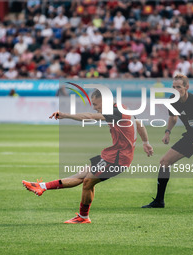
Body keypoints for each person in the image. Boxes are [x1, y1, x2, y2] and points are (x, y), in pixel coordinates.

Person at [23, 89, 154, 223]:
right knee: (81, 176)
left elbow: (90, 117)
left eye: (96, 104)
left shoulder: (115, 111)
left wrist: (65, 115)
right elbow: (140, 124)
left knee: (87, 182)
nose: (95, 107)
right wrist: (146, 142)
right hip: (112, 155)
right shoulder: (123, 108)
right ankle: (42, 187)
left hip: (118, 159)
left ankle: (83, 217)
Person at [142, 74, 193, 211]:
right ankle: (159, 201)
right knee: (164, 162)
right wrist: (168, 132)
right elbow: (173, 117)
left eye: (178, 87)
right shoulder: (172, 100)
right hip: (191, 135)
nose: (175, 90)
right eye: (173, 87)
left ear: (186, 87)